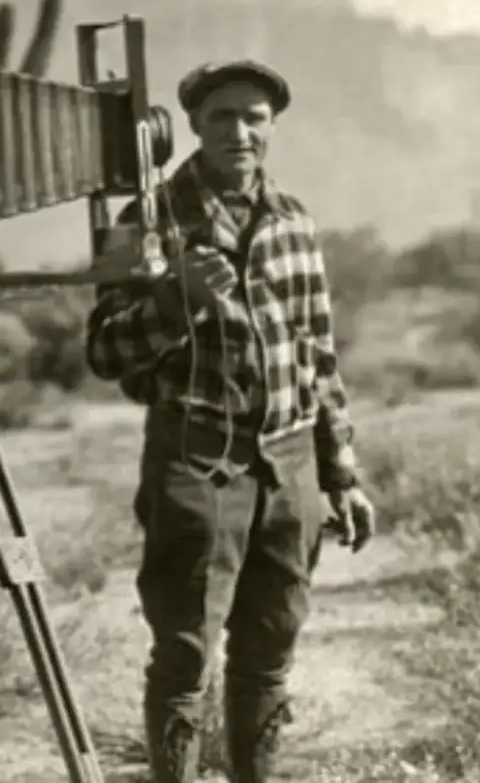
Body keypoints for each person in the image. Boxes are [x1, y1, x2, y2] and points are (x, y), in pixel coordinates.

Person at [84, 60, 376, 783]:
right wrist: (174, 303)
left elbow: (318, 357)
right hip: (195, 457)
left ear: (272, 127)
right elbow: (102, 350)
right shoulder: (141, 223)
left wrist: (343, 475)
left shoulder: (295, 222)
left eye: (254, 117)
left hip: (291, 461)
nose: (239, 132)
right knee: (185, 648)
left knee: (271, 645)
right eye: (223, 116)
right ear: (193, 124)